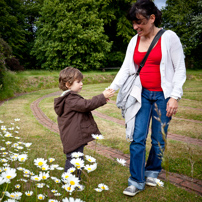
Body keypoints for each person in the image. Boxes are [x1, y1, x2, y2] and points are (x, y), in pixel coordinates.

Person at [109, 0, 186, 196]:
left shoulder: (169, 38)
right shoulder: (134, 40)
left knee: (159, 138)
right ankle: (135, 180)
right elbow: (126, 68)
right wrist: (111, 88)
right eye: (133, 23)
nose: (136, 27)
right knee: (137, 137)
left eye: (140, 22)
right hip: (140, 95)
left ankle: (152, 170)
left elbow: (179, 69)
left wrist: (174, 97)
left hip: (163, 96)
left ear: (152, 18)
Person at [54, 67, 114, 178]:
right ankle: (69, 180)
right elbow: (86, 105)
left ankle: (74, 179)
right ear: (68, 84)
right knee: (74, 159)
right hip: (73, 135)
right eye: (78, 82)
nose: (81, 84)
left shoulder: (69, 98)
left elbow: (84, 105)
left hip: (73, 134)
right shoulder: (70, 99)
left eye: (81, 81)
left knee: (76, 157)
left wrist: (102, 100)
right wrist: (102, 96)